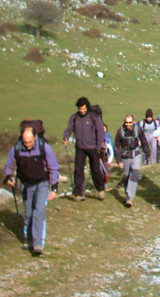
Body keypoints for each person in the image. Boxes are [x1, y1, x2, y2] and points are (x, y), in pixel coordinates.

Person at [4, 126, 60, 255]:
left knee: (39, 210)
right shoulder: (17, 148)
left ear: (35, 137)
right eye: (25, 142)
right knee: (28, 212)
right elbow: (9, 165)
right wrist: (9, 176)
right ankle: (28, 240)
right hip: (26, 184)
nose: (28, 145)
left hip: (42, 183)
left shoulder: (44, 147)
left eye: (30, 142)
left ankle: (38, 244)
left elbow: (54, 167)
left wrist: (54, 188)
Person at [63, 97, 106, 201]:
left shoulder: (93, 116)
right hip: (80, 147)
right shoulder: (74, 117)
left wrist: (99, 146)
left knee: (95, 169)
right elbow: (69, 129)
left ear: (87, 107)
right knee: (78, 170)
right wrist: (65, 137)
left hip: (93, 147)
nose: (82, 111)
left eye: (83, 108)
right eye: (80, 109)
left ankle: (100, 189)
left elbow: (100, 131)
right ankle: (79, 193)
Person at [114, 114, 151, 207]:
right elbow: (117, 147)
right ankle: (127, 196)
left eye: (130, 122)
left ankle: (130, 197)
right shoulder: (120, 131)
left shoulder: (138, 129)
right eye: (126, 122)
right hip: (125, 156)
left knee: (134, 174)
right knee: (126, 175)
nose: (128, 124)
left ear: (133, 122)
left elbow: (144, 141)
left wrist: (147, 153)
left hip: (136, 154)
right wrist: (118, 161)